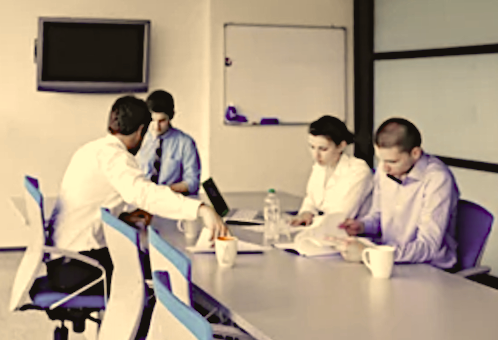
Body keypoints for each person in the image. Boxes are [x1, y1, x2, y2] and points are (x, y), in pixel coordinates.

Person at [46, 95, 227, 293]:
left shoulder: (90, 150)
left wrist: (124, 217)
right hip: (79, 267)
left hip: (63, 259)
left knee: (148, 260)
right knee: (166, 272)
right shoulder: (116, 157)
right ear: (141, 130)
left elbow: (96, 203)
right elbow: (144, 194)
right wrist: (201, 209)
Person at [336, 118, 459, 270]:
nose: (385, 168)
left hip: (428, 268)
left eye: (392, 162)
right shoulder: (384, 168)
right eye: (380, 160)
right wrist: (361, 226)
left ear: (415, 153)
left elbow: (428, 247)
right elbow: (378, 217)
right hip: (391, 260)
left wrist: (373, 253)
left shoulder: (437, 179)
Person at [290, 115, 373, 226]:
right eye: (312, 147)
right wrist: (306, 213)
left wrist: (313, 219)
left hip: (350, 235)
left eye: (323, 149)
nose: (316, 155)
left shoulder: (358, 170)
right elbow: (310, 200)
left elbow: (340, 217)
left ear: (341, 146)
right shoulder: (320, 167)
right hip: (321, 231)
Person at [136, 90, 201, 195]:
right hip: (140, 200)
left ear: (171, 116)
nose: (157, 127)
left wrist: (164, 191)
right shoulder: (138, 139)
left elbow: (193, 183)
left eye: (162, 121)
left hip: (171, 201)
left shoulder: (185, 143)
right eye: (152, 120)